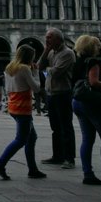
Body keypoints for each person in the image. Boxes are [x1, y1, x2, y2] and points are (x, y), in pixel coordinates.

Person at [0, 45, 45, 181]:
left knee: (31, 138)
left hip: (13, 106)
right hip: (23, 108)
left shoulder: (10, 67)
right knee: (21, 139)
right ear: (29, 57)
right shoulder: (24, 68)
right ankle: (0, 164)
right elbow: (36, 88)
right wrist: (36, 72)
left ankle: (32, 169)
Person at [70, 35, 101, 186]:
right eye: (97, 46)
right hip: (91, 103)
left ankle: (87, 174)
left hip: (77, 101)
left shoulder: (76, 62)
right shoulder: (93, 62)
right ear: (92, 48)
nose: (100, 48)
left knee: (87, 139)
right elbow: (94, 82)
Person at [39, 27, 77, 169]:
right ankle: (57, 155)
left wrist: (47, 70)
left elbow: (56, 72)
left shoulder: (68, 53)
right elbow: (40, 66)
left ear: (58, 39)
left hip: (63, 93)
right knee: (55, 127)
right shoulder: (51, 53)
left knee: (66, 126)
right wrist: (45, 51)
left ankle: (69, 158)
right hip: (51, 94)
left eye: (49, 37)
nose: (46, 39)